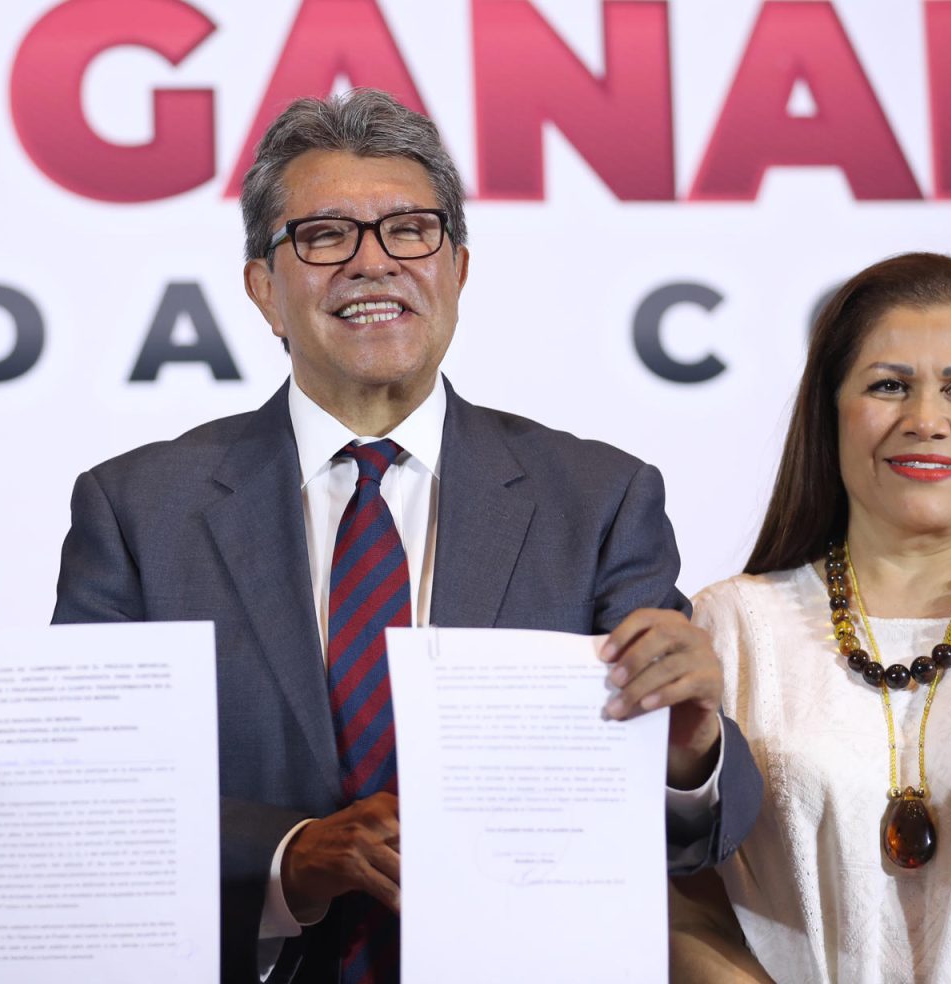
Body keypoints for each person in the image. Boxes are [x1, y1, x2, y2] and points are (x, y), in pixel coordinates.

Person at [53, 88, 762, 983]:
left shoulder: (598, 499)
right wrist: (287, 857)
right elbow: (91, 801)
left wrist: (691, 749)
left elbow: (702, 832)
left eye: (409, 230)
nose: (371, 263)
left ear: (458, 270)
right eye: (324, 236)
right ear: (263, 290)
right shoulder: (137, 510)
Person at [670, 252, 951, 983]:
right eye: (889, 386)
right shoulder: (729, 627)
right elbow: (674, 898)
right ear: (832, 417)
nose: (925, 420)